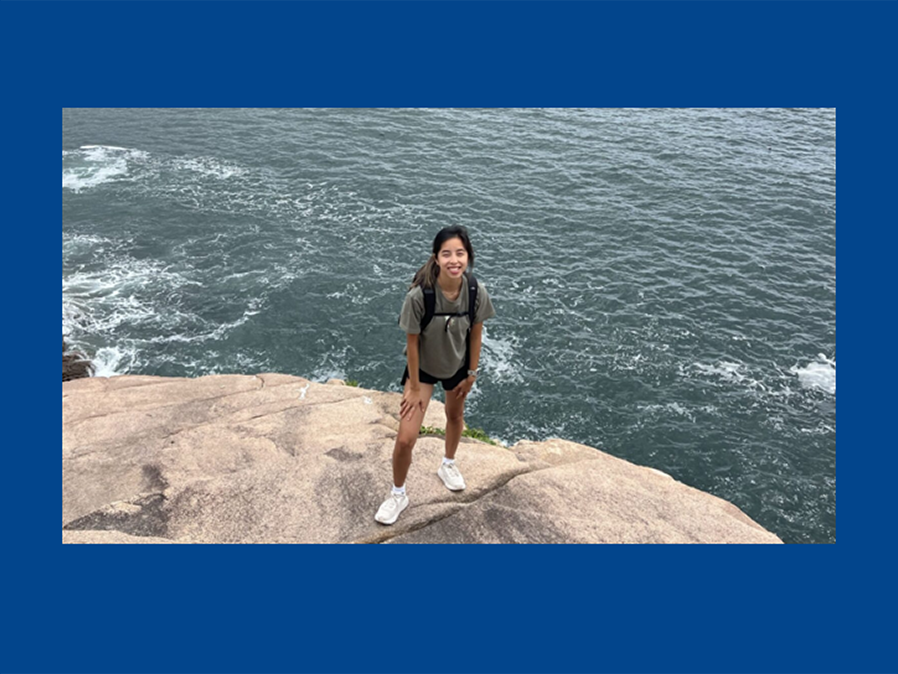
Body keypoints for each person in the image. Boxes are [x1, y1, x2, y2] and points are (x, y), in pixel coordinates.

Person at [375, 226, 497, 525]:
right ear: (436, 258)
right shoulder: (420, 296)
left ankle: (448, 464)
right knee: (405, 439)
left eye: (460, 253)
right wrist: (415, 387)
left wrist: (471, 373)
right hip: (424, 371)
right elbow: (412, 343)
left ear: (468, 256)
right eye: (447, 254)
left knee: (455, 417)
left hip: (457, 366)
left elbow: (476, 335)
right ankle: (398, 494)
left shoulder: (474, 291)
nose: (454, 260)